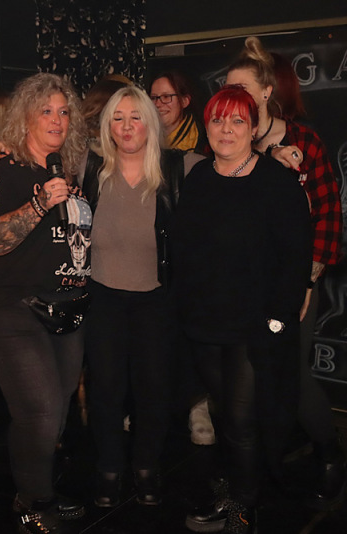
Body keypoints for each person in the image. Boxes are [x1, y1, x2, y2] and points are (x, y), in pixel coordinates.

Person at [175, 85, 311, 534]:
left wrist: (276, 320)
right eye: (218, 120)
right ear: (207, 127)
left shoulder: (276, 182)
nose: (226, 129)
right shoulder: (199, 177)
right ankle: (238, 485)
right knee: (222, 416)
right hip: (205, 325)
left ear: (254, 129)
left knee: (240, 419)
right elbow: (186, 251)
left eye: (238, 120)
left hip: (254, 328)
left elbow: (295, 257)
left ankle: (244, 506)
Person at [0, 72, 89, 533]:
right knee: (40, 409)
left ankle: (41, 490)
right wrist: (39, 204)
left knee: (56, 410)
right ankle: (33, 503)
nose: (57, 119)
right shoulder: (1, 172)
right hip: (9, 308)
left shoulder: (67, 172)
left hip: (65, 308)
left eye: (64, 111)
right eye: (46, 111)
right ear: (25, 118)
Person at [226, 37, 343, 507]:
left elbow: (328, 216)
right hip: (243, 284)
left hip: (294, 282)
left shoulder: (304, 142)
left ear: (266, 92)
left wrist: (307, 280)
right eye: (227, 89)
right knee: (245, 378)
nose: (233, 97)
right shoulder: (230, 140)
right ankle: (252, 471)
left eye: (242, 89)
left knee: (291, 373)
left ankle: (330, 454)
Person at [81, 85, 201, 509]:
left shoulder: (179, 166)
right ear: (107, 126)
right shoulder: (89, 167)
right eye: (118, 118)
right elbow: (36, 156)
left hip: (156, 299)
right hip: (103, 297)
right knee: (106, 389)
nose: (127, 126)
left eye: (135, 117)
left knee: (153, 389)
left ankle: (147, 466)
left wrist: (275, 156)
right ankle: (110, 468)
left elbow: (234, 165)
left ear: (150, 122)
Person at [149, 70, 206, 153]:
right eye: (154, 98)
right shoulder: (142, 136)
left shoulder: (202, 144)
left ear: (184, 101)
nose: (157, 104)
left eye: (166, 97)